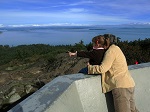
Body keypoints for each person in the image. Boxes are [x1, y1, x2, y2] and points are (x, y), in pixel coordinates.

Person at [88, 34, 139, 112]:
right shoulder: (116, 49)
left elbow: (102, 68)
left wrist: (90, 68)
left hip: (120, 87)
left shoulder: (110, 51)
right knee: (133, 110)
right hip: (129, 84)